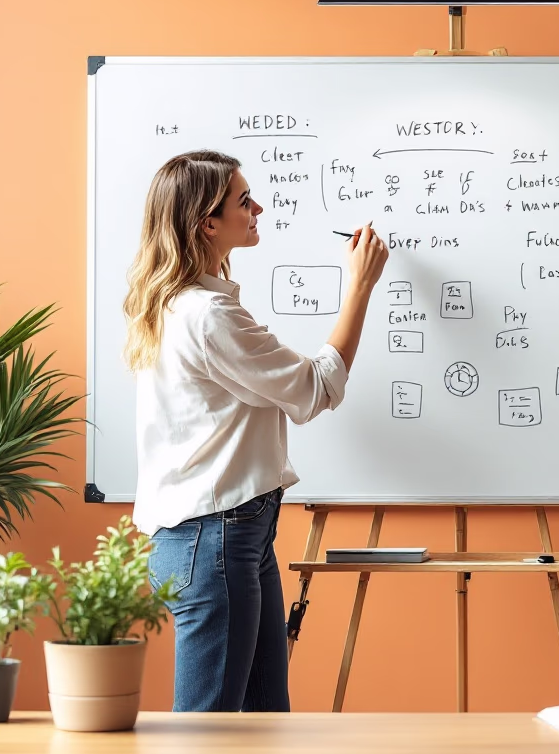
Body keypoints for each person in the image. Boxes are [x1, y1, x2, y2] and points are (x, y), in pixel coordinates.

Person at [123, 149, 388, 712]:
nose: (258, 207)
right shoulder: (208, 316)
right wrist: (360, 287)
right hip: (215, 538)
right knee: (207, 733)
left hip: (228, 536)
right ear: (206, 222)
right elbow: (318, 389)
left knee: (264, 724)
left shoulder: (174, 305)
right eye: (244, 201)